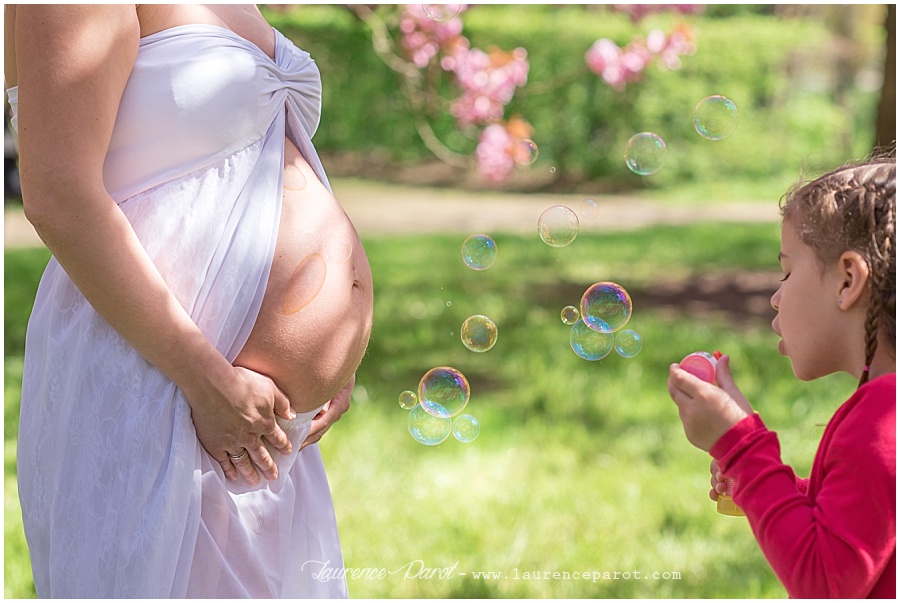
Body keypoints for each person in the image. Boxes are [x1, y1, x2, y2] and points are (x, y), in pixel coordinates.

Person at [6, 4, 373, 597]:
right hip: (163, 385)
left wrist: (335, 356)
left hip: (254, 418)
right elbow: (57, 194)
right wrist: (207, 382)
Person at [667, 154, 895, 598]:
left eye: (787, 271)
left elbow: (823, 582)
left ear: (848, 281)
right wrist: (773, 486)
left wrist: (742, 447)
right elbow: (864, 522)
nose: (775, 298)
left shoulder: (881, 419)